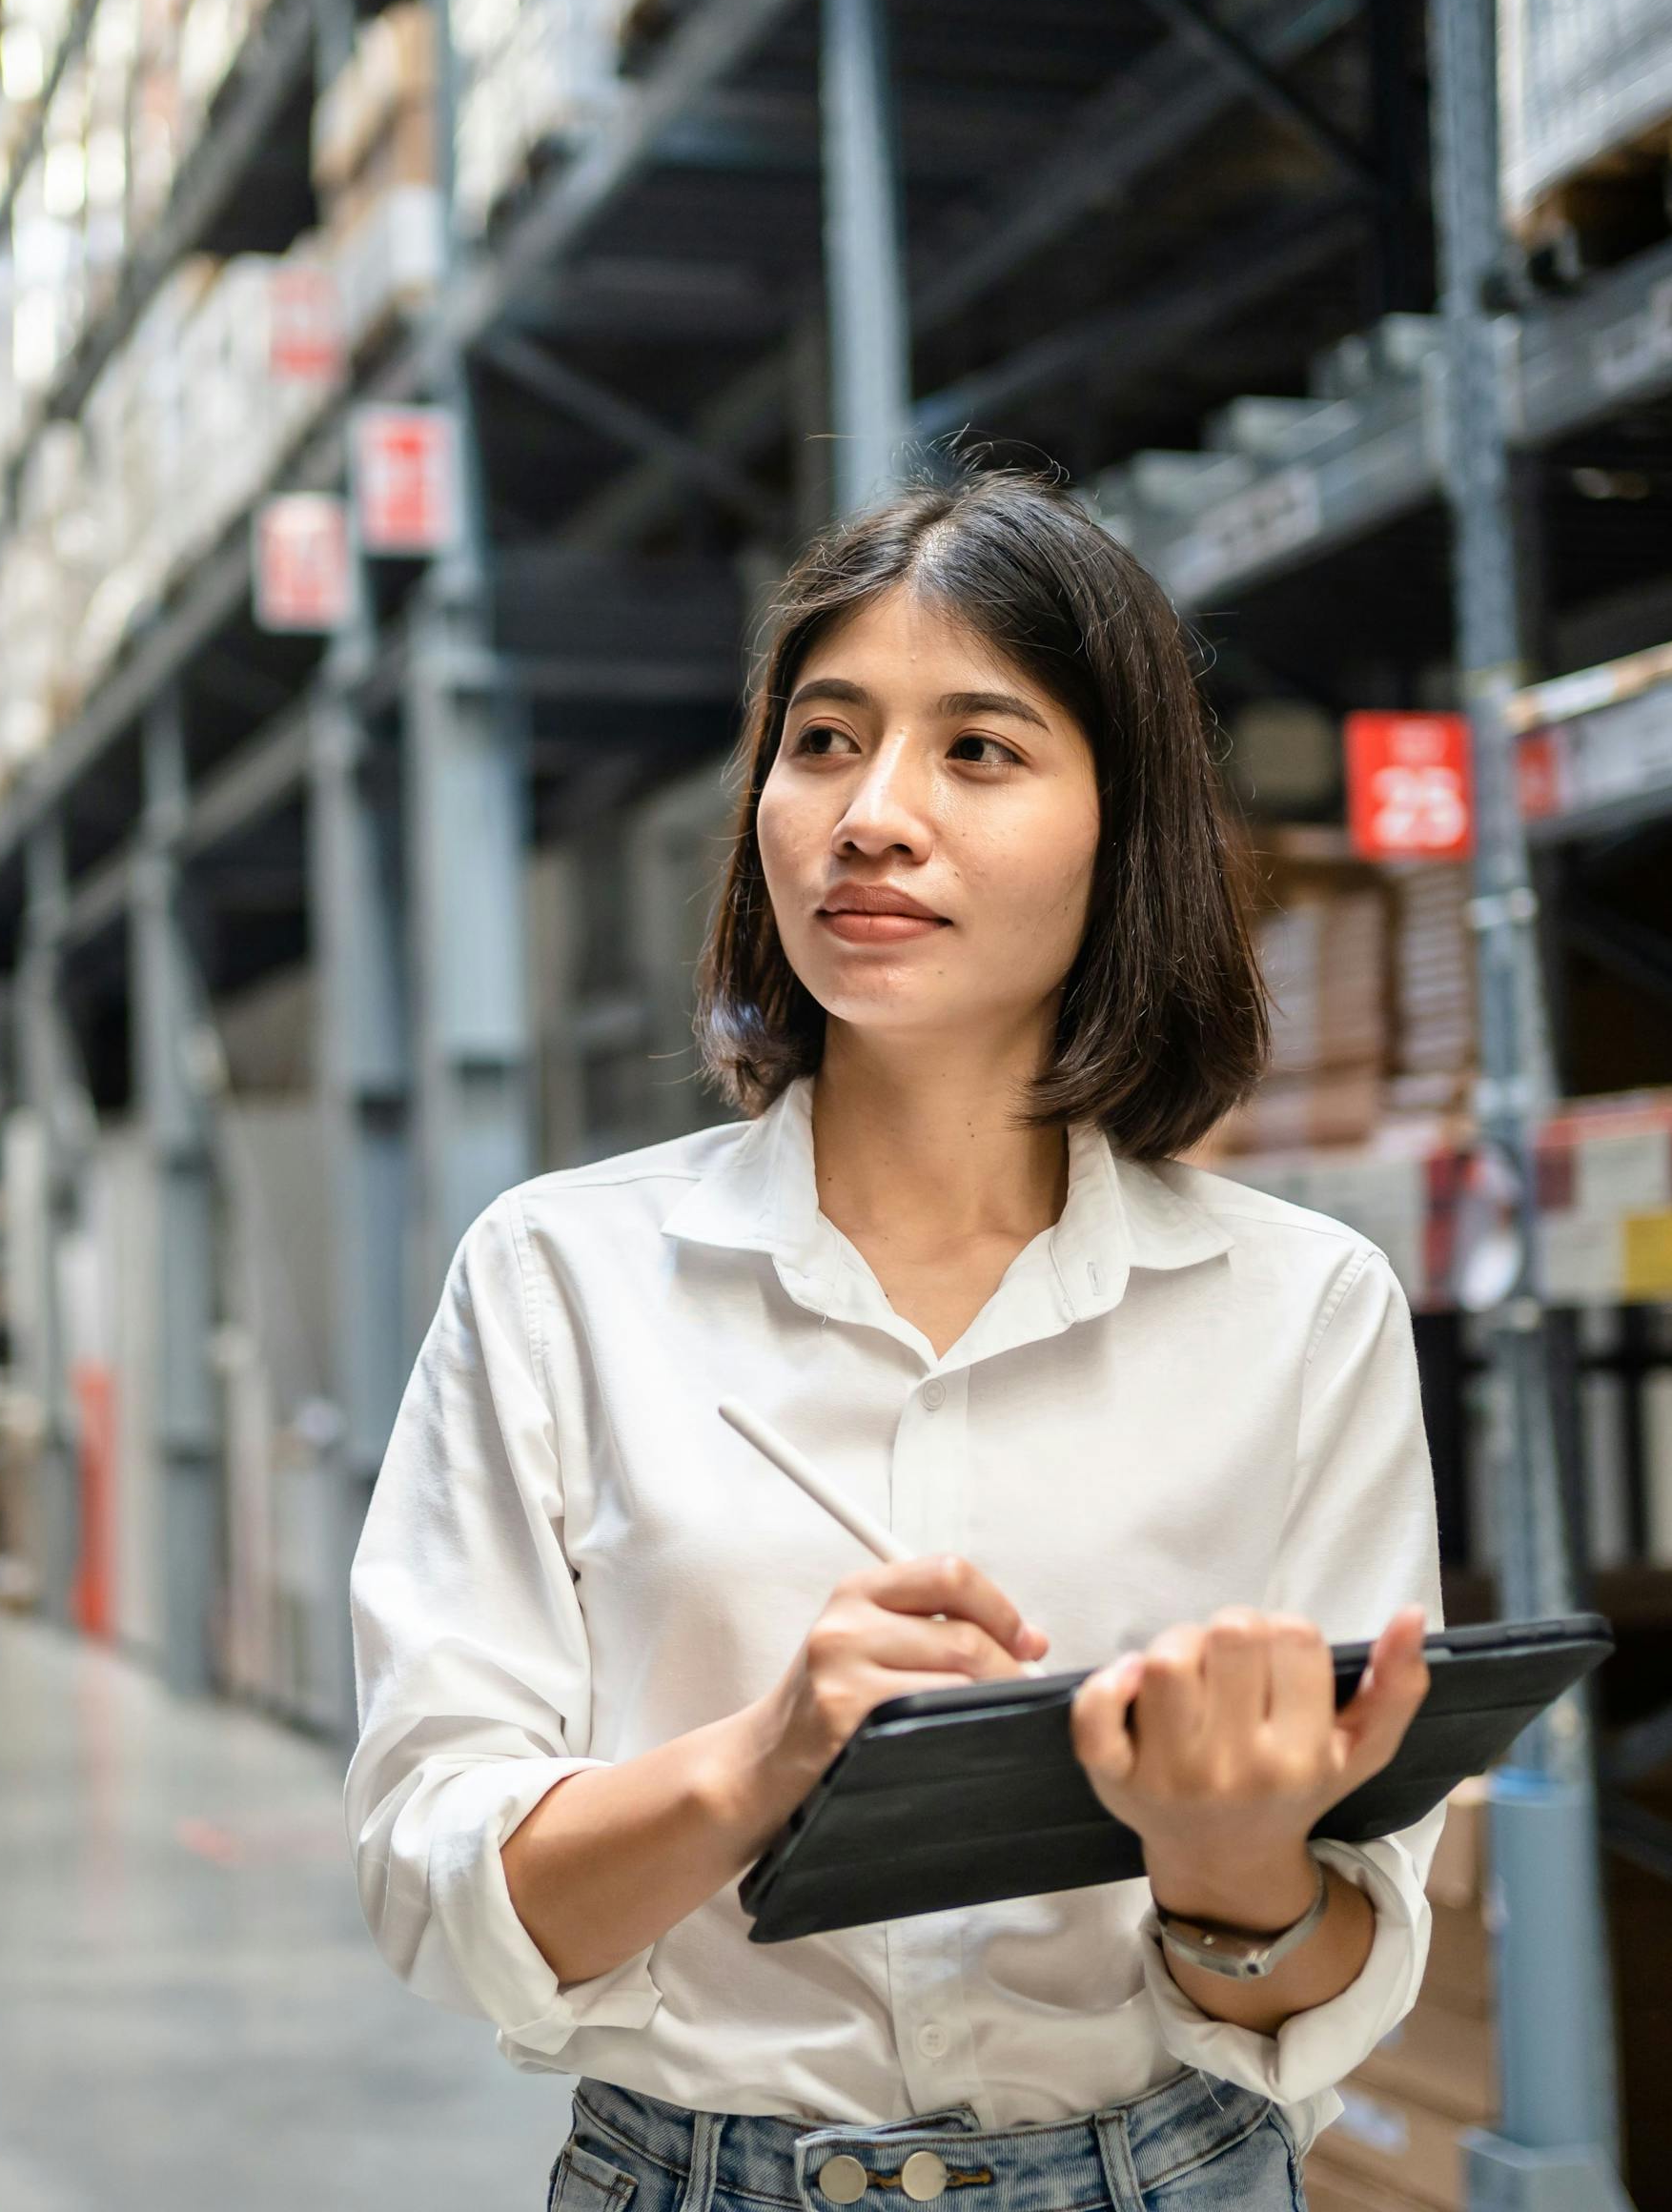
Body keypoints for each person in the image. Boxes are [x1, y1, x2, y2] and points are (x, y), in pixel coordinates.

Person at [349, 472, 1442, 2211]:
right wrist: (759, 1759)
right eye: (826, 741)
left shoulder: (1299, 1313)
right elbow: (435, 1883)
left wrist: (1233, 1866)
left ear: (1123, 823)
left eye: (980, 750)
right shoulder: (562, 1278)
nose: (873, 815)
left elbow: (1340, 1966)